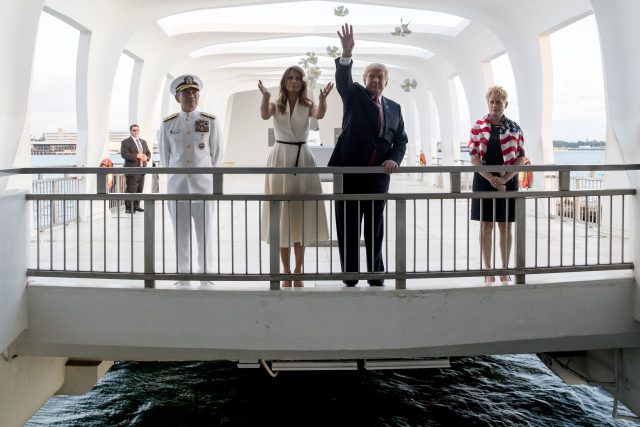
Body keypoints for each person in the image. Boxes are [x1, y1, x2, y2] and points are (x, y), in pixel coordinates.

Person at [328, 23, 408, 287]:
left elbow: (400, 140)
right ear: (364, 80)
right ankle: (350, 276)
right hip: (350, 174)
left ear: (386, 81)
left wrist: (394, 159)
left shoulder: (395, 108)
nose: (375, 80)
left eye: (379, 76)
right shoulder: (354, 96)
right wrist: (346, 54)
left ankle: (376, 274)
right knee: (348, 226)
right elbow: (342, 80)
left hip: (377, 177)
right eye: (371, 76)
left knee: (375, 227)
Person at [258, 67, 333, 288]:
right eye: (290, 78)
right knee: (281, 215)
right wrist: (265, 97)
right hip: (280, 157)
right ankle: (286, 270)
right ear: (284, 81)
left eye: (298, 78)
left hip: (302, 159)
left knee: (300, 215)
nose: (294, 81)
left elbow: (320, 114)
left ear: (302, 82)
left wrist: (322, 98)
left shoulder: (307, 105)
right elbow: (264, 114)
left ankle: (299, 270)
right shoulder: (276, 106)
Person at [159, 74, 223, 285]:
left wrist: (206, 178)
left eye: (195, 91)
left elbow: (217, 155)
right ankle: (183, 273)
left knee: (205, 233)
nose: (192, 95)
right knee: (181, 232)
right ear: (177, 97)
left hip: (203, 187)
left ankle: (206, 272)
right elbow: (166, 158)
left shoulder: (209, 121)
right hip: (177, 188)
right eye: (186, 92)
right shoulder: (168, 124)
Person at [468, 85, 526, 284]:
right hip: (483, 181)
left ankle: (504, 269)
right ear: (488, 103)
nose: (494, 105)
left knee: (505, 226)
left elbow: (520, 158)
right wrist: (491, 178)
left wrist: (504, 179)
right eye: (491, 102)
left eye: (498, 102)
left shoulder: (515, 128)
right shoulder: (477, 127)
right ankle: (488, 270)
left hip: (507, 181)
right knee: (486, 226)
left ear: (505, 104)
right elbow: (474, 159)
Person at [120, 124, 151, 213]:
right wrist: (137, 156)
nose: (136, 131)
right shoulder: (125, 142)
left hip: (142, 169)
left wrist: (147, 158)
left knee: (139, 189)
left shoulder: (143, 142)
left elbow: (148, 153)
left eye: (137, 130)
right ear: (130, 131)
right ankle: (129, 208)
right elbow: (124, 154)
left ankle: (136, 206)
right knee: (131, 189)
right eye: (134, 130)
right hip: (131, 170)